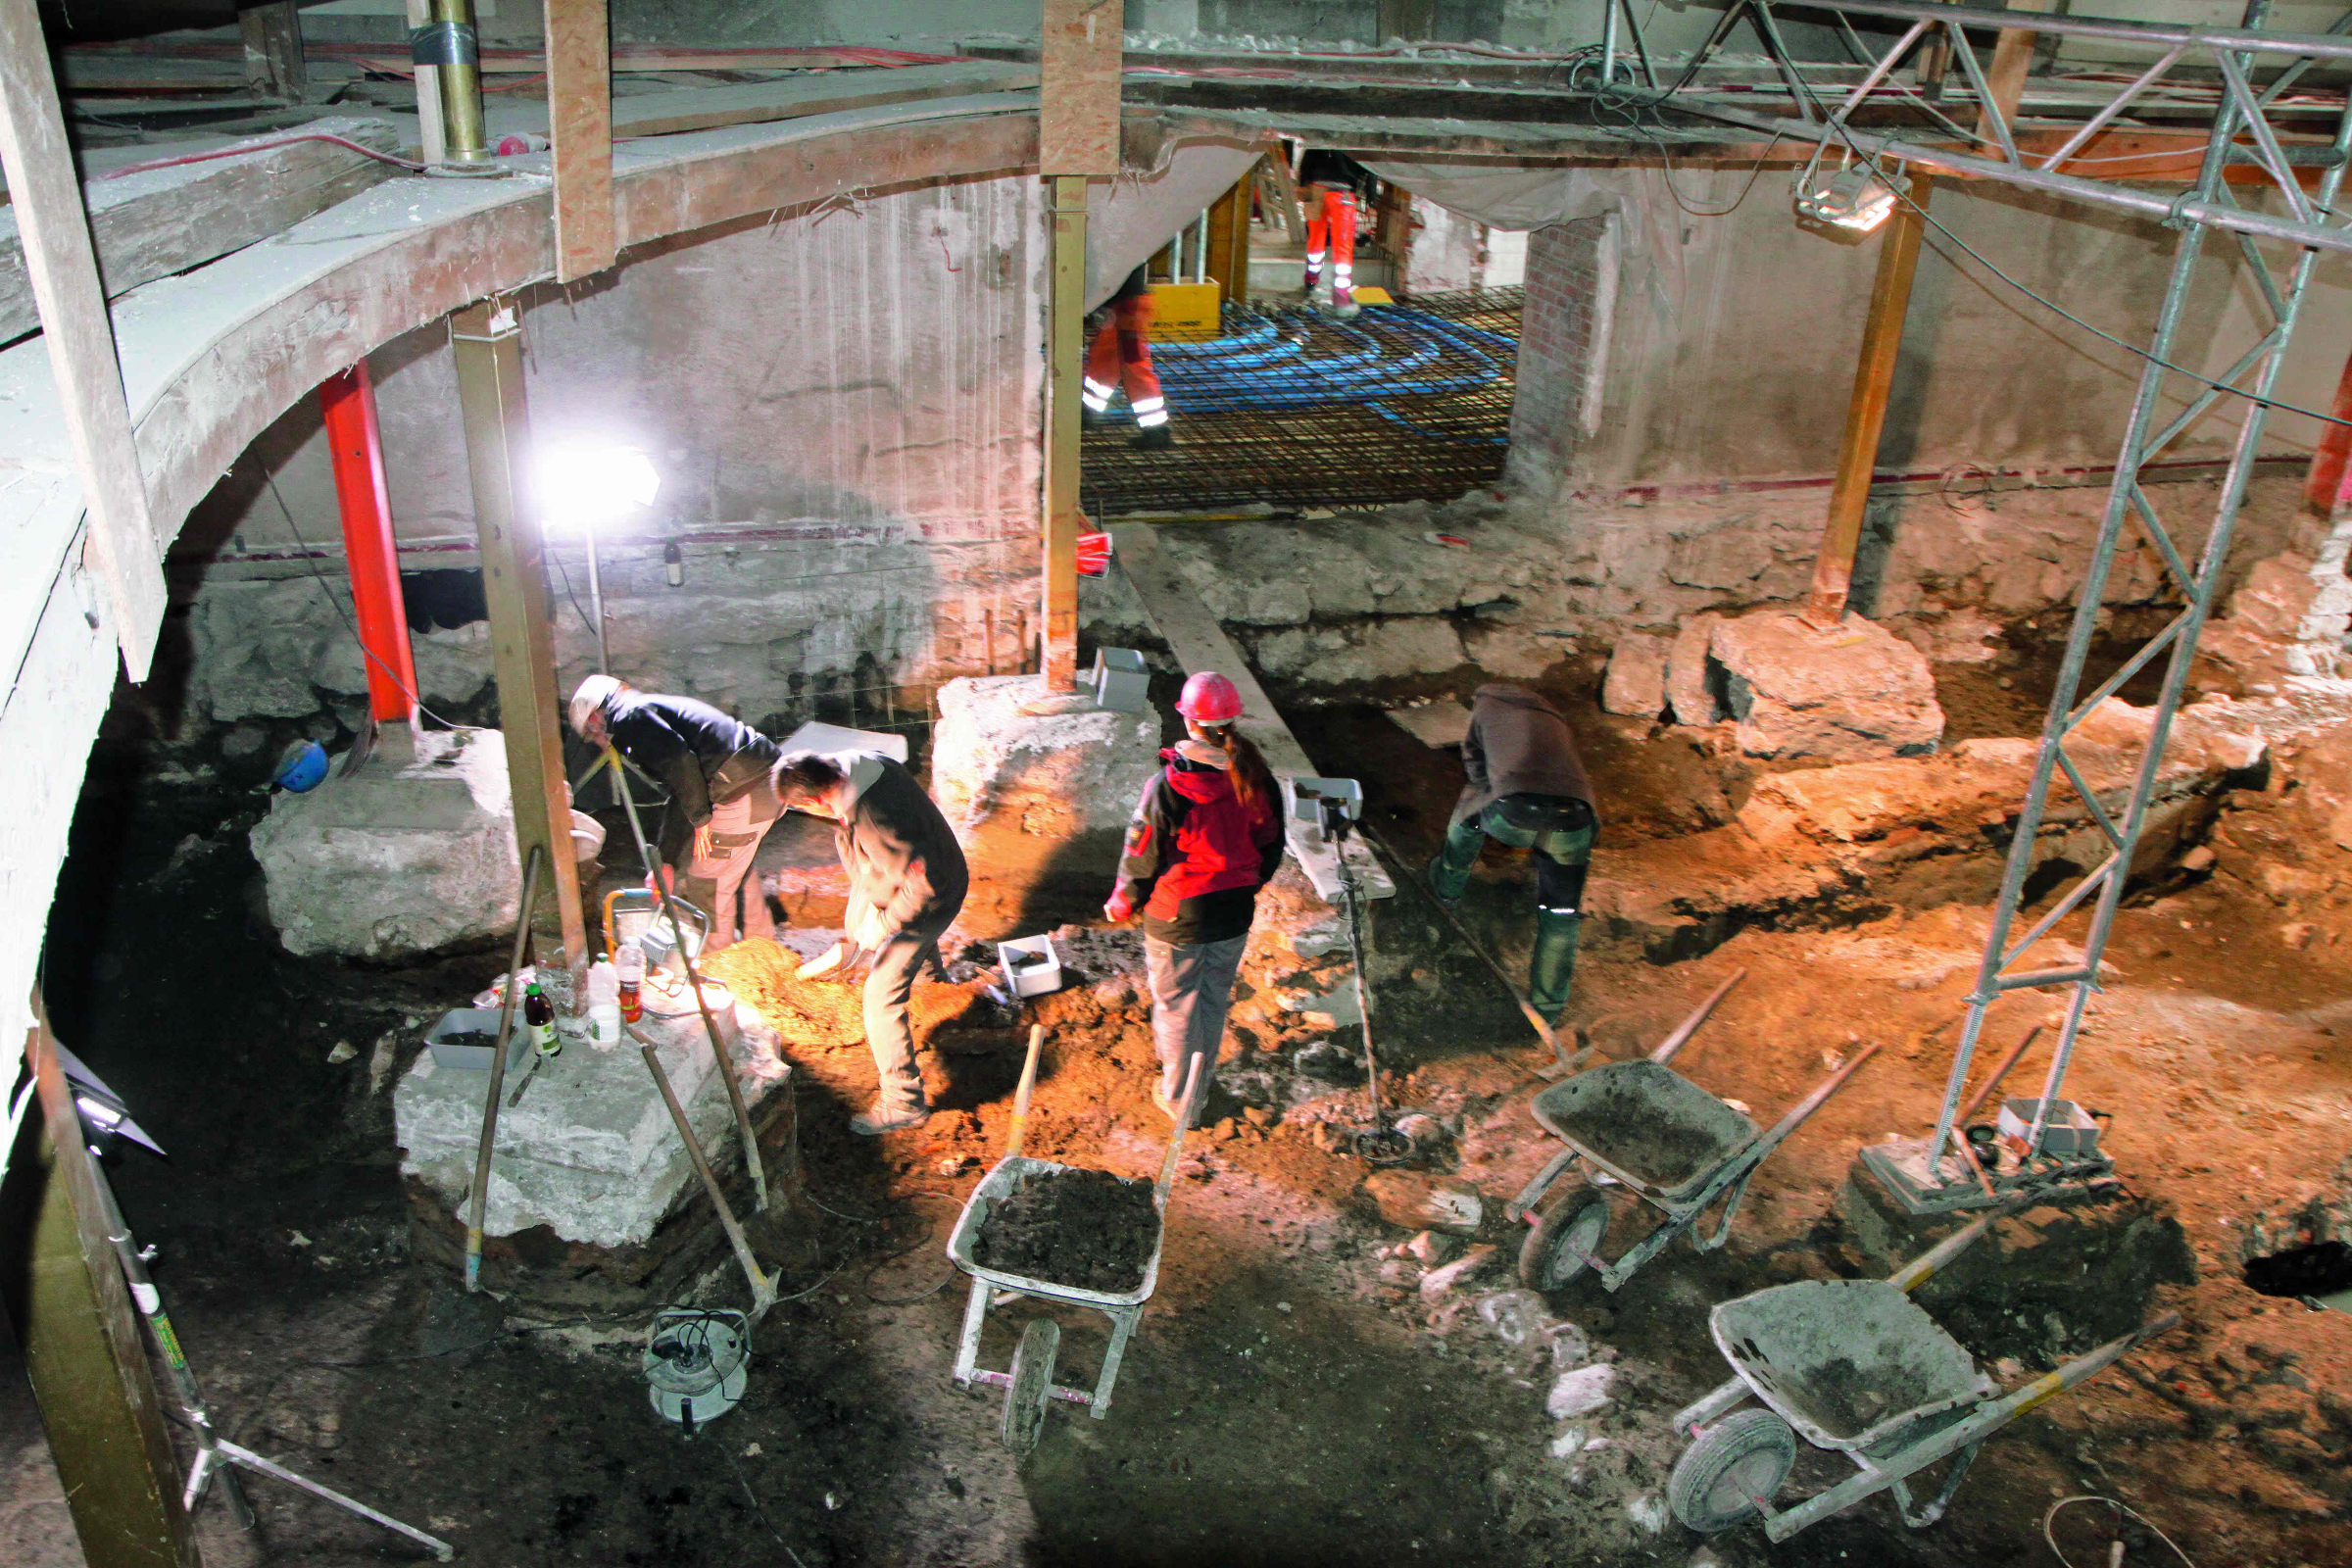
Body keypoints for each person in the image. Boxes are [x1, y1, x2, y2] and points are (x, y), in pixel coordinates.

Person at [1103, 671, 1286, 1125]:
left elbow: (1141, 854)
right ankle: (1199, 1085)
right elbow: (1271, 844)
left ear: (1188, 720)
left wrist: (1124, 900)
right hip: (1234, 910)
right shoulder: (1256, 775)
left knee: (1177, 1008)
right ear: (1232, 720)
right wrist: (1247, 884)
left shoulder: (1168, 785)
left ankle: (1182, 1102)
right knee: (1212, 1000)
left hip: (1179, 913)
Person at [771, 748, 969, 1135]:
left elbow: (922, 886)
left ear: (814, 801)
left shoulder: (876, 819)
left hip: (934, 894)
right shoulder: (858, 764)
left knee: (879, 997)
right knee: (885, 943)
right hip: (912, 871)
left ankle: (903, 1103)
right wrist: (866, 908)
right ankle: (937, 998)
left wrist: (884, 924)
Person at [568, 675, 781, 951]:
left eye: (594, 734)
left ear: (596, 716)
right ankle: (763, 950)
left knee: (707, 881)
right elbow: (681, 788)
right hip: (763, 779)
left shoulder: (628, 717)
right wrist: (666, 861)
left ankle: (718, 961)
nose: (600, 743)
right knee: (730, 864)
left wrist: (700, 819)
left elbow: (680, 763)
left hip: (743, 786)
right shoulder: (647, 708)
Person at [1427, 683, 1597, 1026]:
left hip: (1514, 816)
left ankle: (1446, 888)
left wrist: (1495, 794)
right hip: (1574, 820)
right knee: (1560, 916)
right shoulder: (1554, 717)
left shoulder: (1485, 707)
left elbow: (1475, 768)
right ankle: (1548, 1009)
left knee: (1468, 812)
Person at [1082, 264, 1173, 450]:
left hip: (1127, 307)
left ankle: (1156, 431)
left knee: (1134, 367)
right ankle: (1086, 412)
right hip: (1120, 305)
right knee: (1105, 360)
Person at [1296, 148, 1369, 319]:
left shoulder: (1322, 132)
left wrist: (1303, 184)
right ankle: (1341, 300)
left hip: (1316, 189)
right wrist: (1370, 198)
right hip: (1343, 193)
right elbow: (1368, 166)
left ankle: (1310, 283)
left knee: (1315, 239)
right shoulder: (1359, 137)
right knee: (1342, 246)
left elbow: (1308, 157)